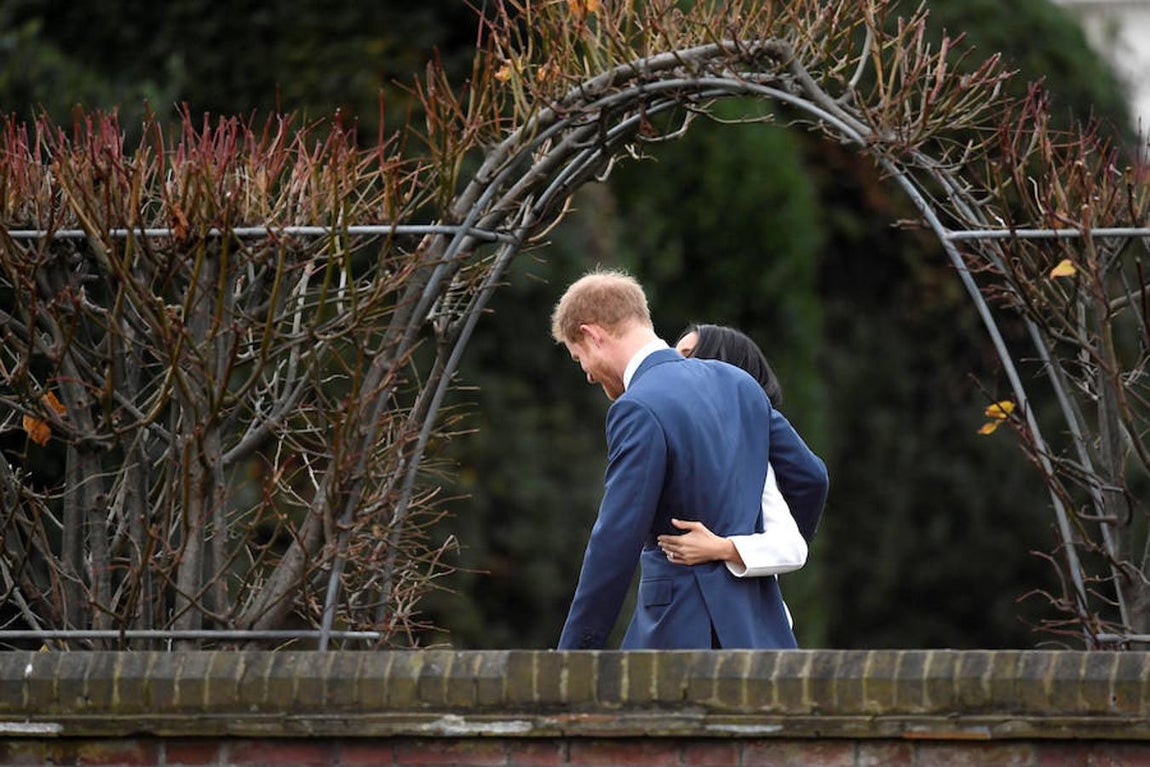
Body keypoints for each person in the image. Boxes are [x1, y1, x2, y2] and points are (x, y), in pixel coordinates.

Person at [550, 268, 828, 649]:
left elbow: (615, 541)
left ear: (591, 335)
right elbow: (810, 477)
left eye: (578, 357)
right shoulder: (739, 384)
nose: (588, 375)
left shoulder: (638, 407)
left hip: (679, 634)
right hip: (761, 633)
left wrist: (573, 655)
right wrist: (753, 557)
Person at [657, 324, 825, 577]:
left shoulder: (750, 427)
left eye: (687, 355)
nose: (674, 365)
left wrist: (733, 547)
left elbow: (811, 479)